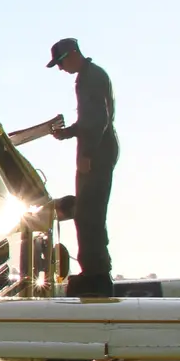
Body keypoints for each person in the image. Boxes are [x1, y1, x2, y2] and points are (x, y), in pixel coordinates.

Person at [46, 38, 119, 296]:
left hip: (98, 153)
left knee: (90, 213)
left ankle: (97, 274)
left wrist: (87, 154)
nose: (60, 68)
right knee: (88, 212)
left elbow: (99, 119)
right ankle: (94, 270)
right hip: (97, 151)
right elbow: (88, 119)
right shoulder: (89, 76)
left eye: (61, 62)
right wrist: (67, 134)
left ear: (73, 55)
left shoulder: (92, 78)